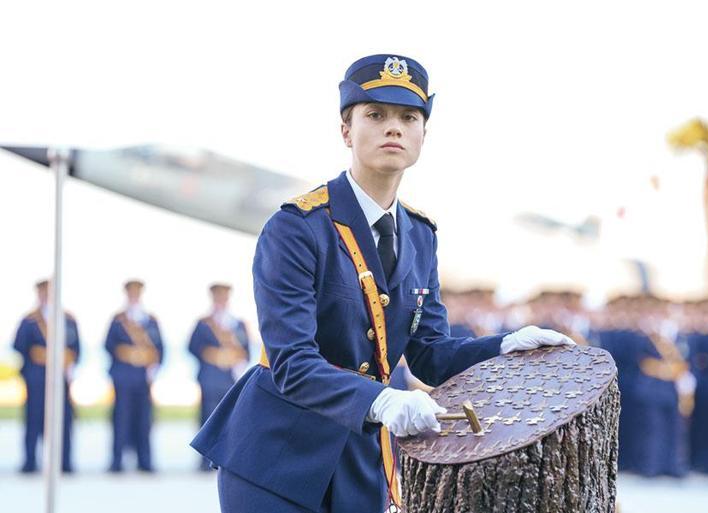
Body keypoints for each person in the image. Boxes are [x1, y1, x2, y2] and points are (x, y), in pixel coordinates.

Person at [191, 54, 575, 513]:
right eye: (375, 115)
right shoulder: (298, 227)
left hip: (359, 460)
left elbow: (430, 354)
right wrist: (382, 400)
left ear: (423, 135)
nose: (393, 128)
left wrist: (503, 349)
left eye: (408, 117)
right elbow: (292, 362)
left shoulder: (420, 235)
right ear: (346, 130)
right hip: (277, 456)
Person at [12, 279, 80, 473]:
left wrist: (69, 364)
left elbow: (75, 349)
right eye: (43, 293)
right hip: (37, 378)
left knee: (63, 420)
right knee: (33, 419)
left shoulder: (67, 320)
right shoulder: (30, 321)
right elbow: (20, 346)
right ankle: (30, 461)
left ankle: (64, 462)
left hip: (60, 378)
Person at [188, 283, 251, 471]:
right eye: (218, 298)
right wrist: (213, 355)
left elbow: (245, 351)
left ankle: (225, 459)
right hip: (209, 376)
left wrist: (233, 358)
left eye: (223, 297)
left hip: (230, 378)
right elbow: (193, 347)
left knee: (230, 420)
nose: (221, 301)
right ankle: (204, 461)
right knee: (207, 418)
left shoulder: (237, 324)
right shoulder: (204, 324)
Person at [105, 279, 164, 472]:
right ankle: (117, 461)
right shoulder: (118, 320)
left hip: (142, 377)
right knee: (121, 419)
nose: (134, 296)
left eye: (137, 293)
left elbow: (159, 349)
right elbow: (110, 346)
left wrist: (153, 368)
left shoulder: (150, 320)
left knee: (144, 421)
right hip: (123, 376)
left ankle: (144, 461)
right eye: (131, 293)